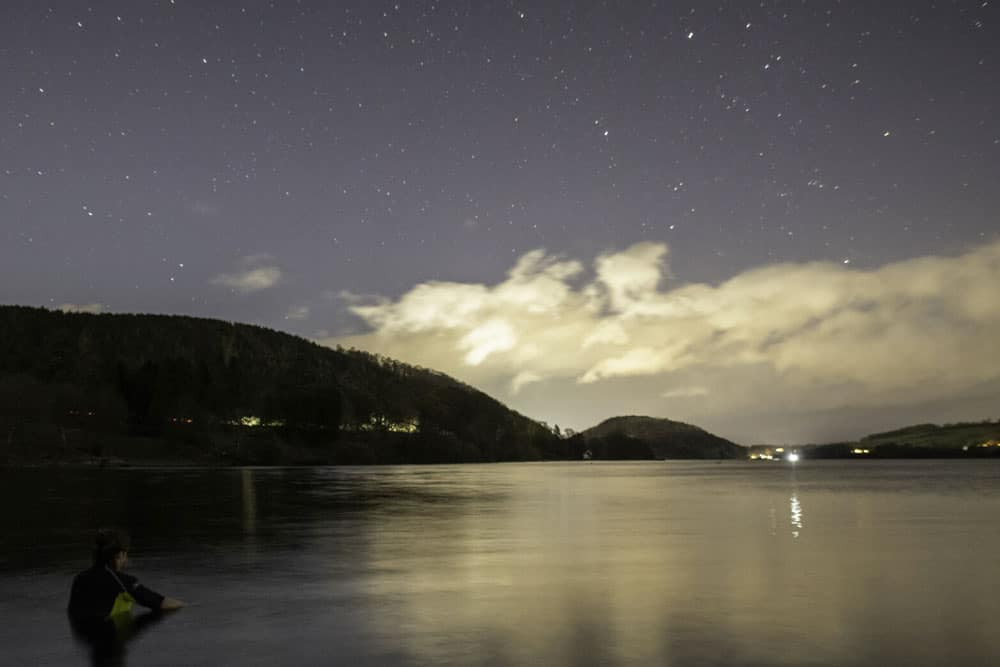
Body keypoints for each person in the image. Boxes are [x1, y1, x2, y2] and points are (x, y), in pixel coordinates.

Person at [68, 528, 185, 639]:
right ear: (120, 555)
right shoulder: (121, 581)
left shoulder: (79, 578)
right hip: (107, 634)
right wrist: (189, 607)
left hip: (82, 635)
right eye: (126, 553)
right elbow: (160, 603)